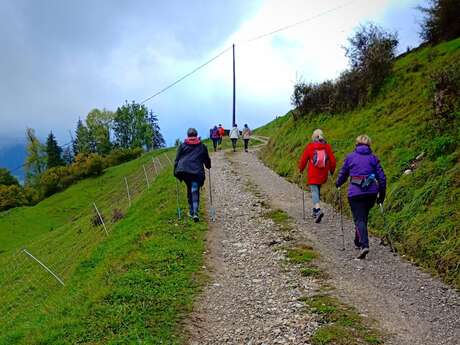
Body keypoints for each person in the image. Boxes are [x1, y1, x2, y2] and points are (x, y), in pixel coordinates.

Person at [336, 134, 386, 259]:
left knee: (359, 219)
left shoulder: (350, 157)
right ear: (369, 145)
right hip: (371, 193)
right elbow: (382, 178)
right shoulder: (373, 158)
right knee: (362, 218)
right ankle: (358, 241)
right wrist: (382, 195)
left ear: (356, 144)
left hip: (355, 193)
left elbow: (343, 174)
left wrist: (338, 183)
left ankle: (364, 245)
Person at [298, 129, 336, 223]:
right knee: (317, 189)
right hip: (323, 173)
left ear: (313, 137)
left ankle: (318, 210)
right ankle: (315, 210)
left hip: (313, 172)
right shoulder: (326, 146)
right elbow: (332, 161)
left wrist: (301, 170)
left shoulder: (310, 146)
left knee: (314, 191)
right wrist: (331, 171)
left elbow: (303, 160)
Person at [174, 128, 211, 222]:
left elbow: (177, 159)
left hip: (184, 171)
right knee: (194, 189)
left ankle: (191, 210)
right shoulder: (202, 146)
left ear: (188, 135)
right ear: (196, 135)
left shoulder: (182, 146)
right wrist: (208, 166)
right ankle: (195, 211)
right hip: (196, 171)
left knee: (190, 188)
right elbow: (206, 159)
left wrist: (175, 171)